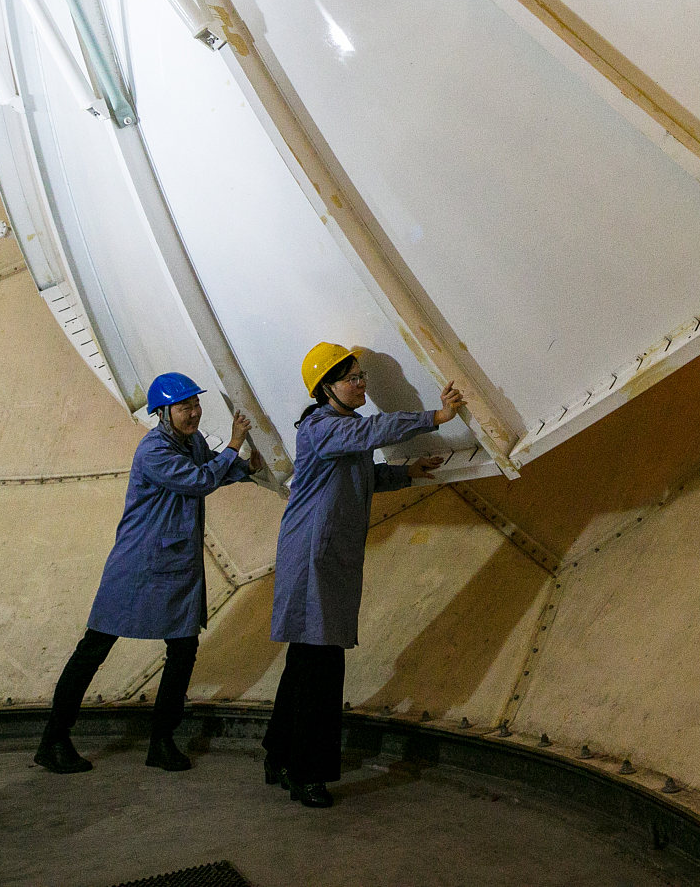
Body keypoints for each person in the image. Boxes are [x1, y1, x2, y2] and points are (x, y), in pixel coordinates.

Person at [261, 343, 455, 807]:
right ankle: (307, 774)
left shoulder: (340, 429)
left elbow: (363, 476)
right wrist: (436, 417)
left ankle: (278, 755)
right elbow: (374, 432)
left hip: (324, 556)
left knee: (306, 662)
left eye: (362, 374)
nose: (362, 383)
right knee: (321, 668)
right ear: (327, 388)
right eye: (352, 377)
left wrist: (408, 471)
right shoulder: (323, 428)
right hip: (314, 559)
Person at [35, 371, 258, 775]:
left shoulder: (192, 443)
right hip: (137, 565)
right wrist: (236, 444)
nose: (192, 413)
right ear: (162, 412)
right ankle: (53, 740)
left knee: (183, 651)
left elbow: (218, 471)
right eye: (183, 406)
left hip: (175, 566)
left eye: (194, 404)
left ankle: (162, 741)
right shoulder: (153, 451)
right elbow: (202, 480)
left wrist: (249, 466)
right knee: (94, 649)